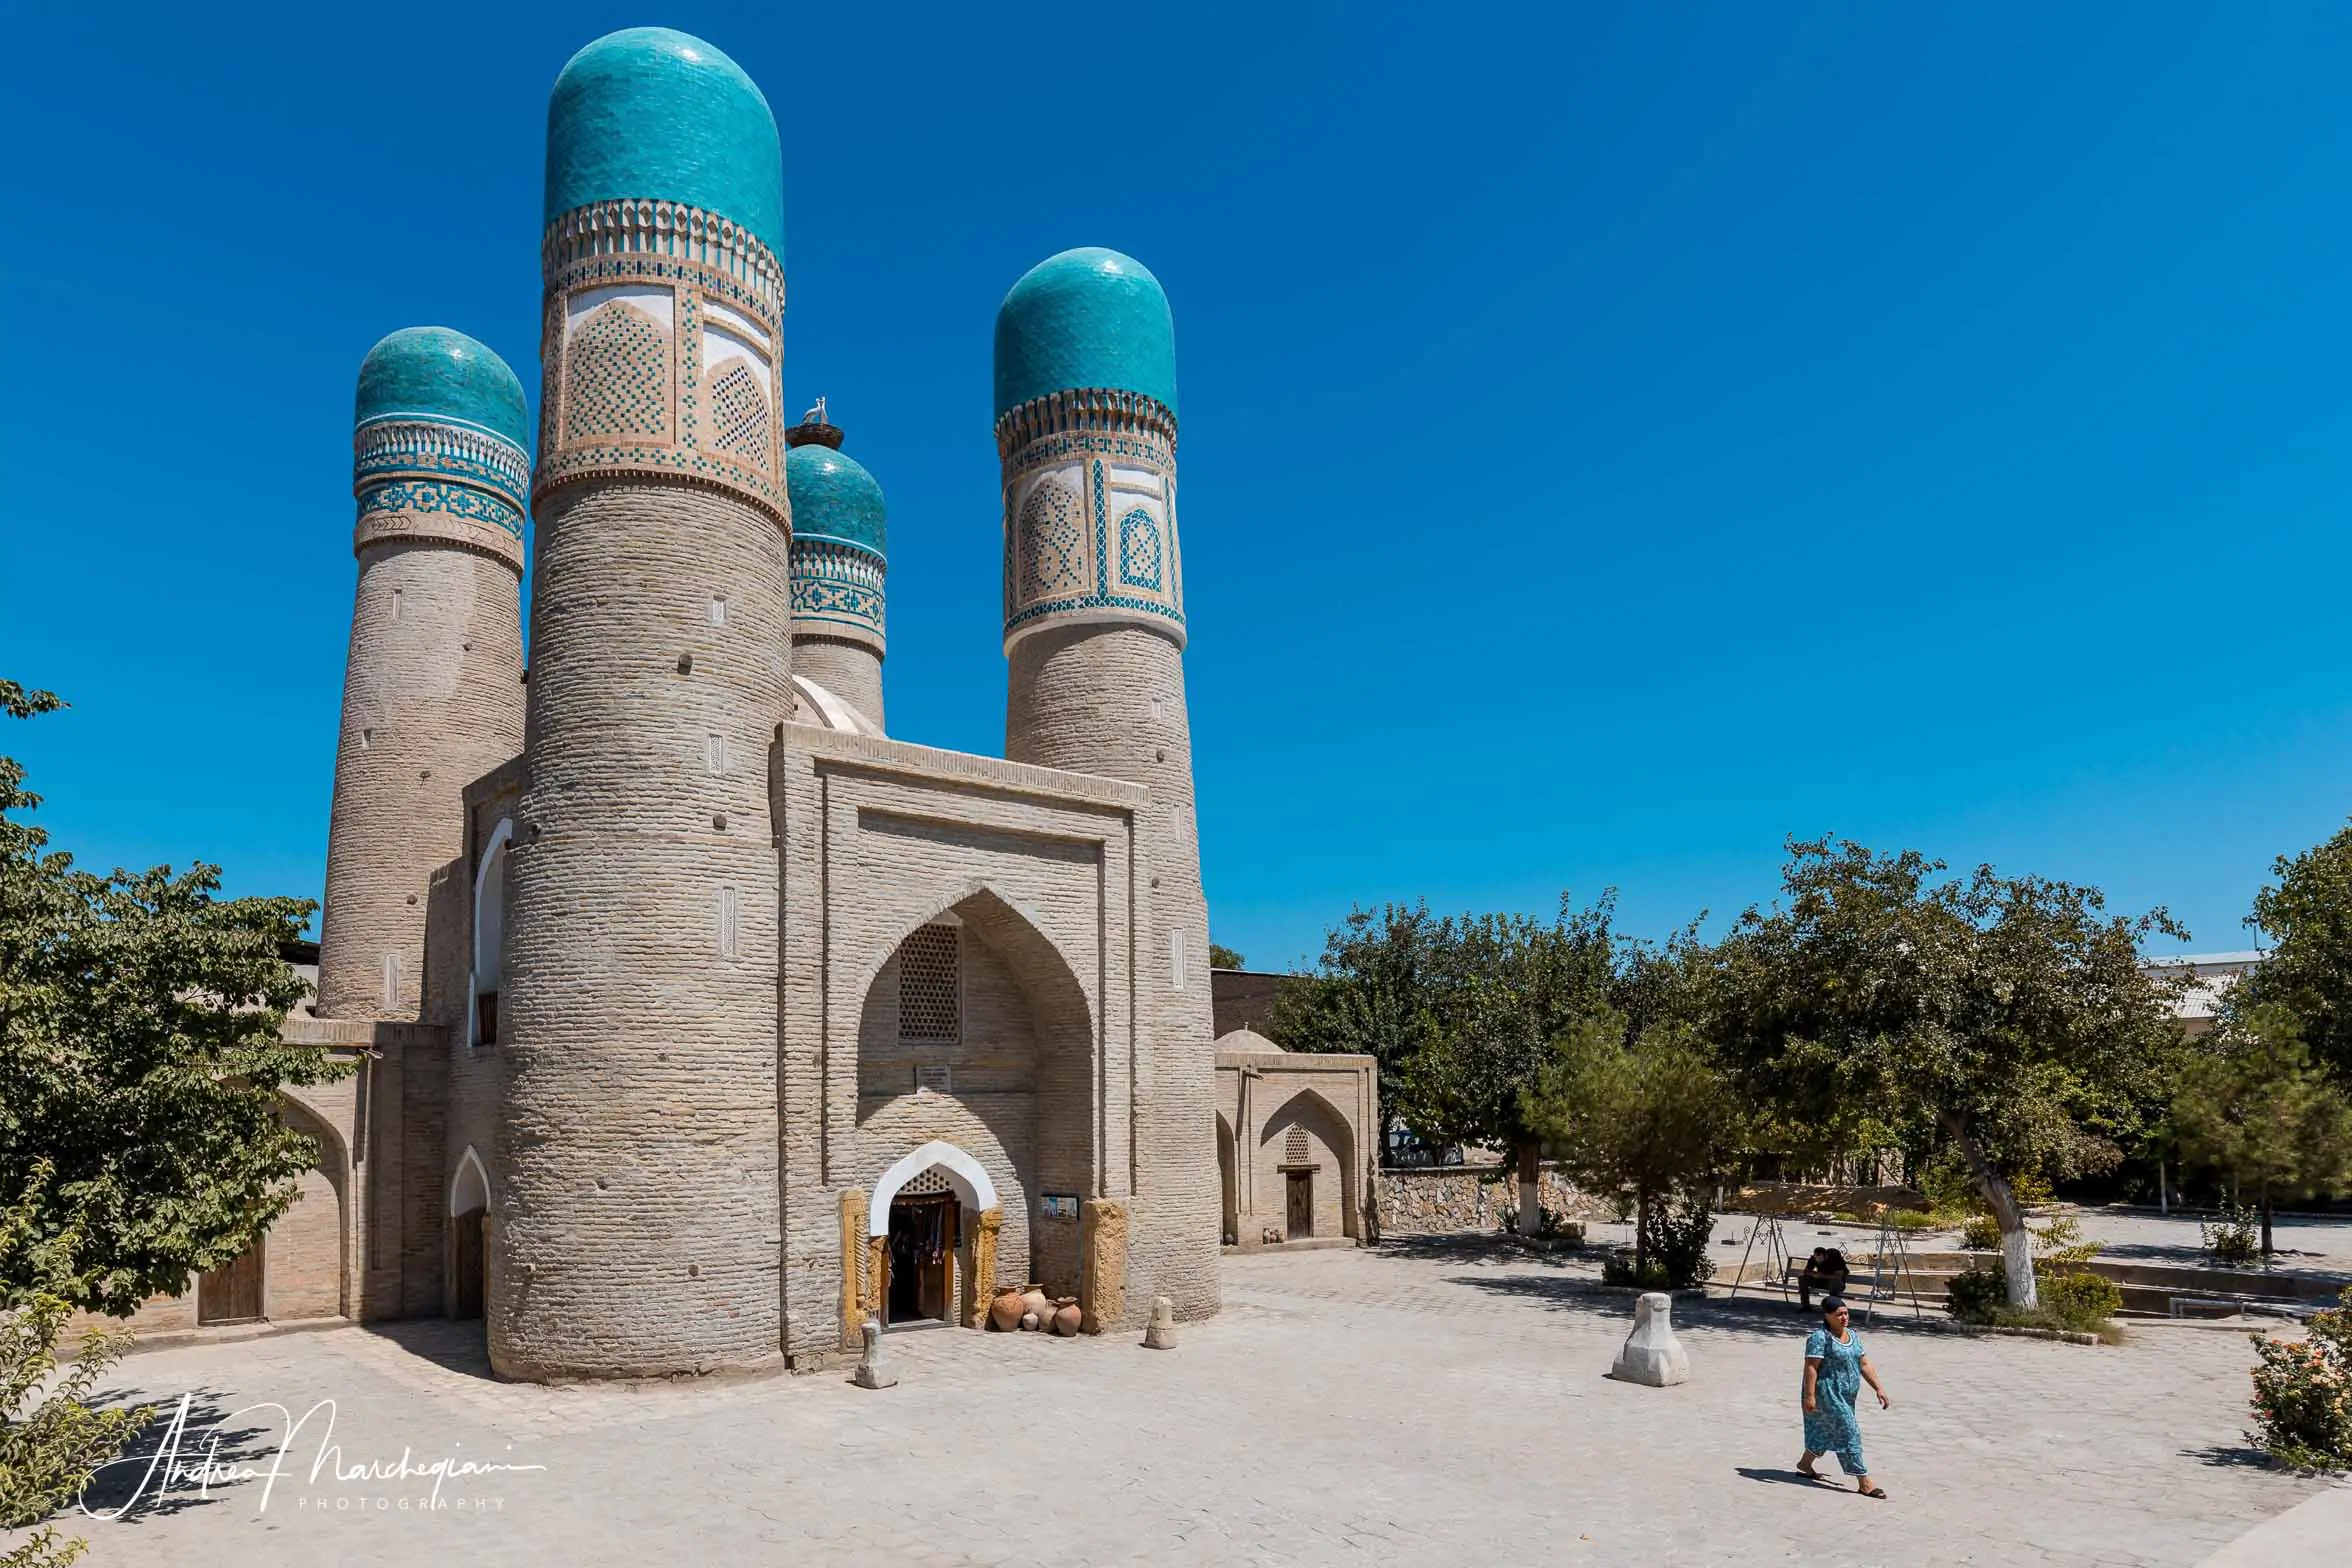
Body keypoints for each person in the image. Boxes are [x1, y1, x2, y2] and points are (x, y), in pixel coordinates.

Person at [1799, 1295, 1889, 1498]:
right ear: (1827, 1316)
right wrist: (1810, 1396)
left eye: (1846, 1313)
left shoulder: (1853, 1336)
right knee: (1849, 1431)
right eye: (1839, 1314)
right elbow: (1811, 1368)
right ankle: (1864, 1481)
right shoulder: (1819, 1338)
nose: (1844, 1317)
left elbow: (1864, 1364)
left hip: (1846, 1395)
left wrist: (1879, 1388)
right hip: (1826, 1394)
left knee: (1824, 1430)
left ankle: (1805, 1464)